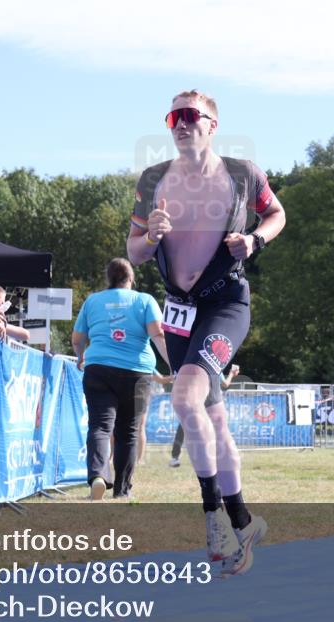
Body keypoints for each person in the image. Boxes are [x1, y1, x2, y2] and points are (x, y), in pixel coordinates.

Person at [127, 89, 285, 576]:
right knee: (213, 419)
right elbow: (133, 252)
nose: (180, 123)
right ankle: (245, 521)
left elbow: (277, 214)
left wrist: (254, 240)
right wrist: (151, 235)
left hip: (225, 303)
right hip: (179, 310)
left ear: (212, 125)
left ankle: (214, 517)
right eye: (173, 116)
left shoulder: (242, 173)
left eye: (190, 115)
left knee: (183, 397)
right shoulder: (153, 180)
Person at [71, 258, 169, 500]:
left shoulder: (93, 301)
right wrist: (174, 363)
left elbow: (77, 339)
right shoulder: (144, 300)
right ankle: (122, 490)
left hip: (99, 368)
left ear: (109, 278)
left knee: (99, 426)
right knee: (128, 431)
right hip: (136, 372)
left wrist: (81, 356)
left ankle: (97, 475)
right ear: (131, 278)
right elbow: (158, 334)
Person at [170, 364, 240, 467]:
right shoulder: (212, 364)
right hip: (209, 401)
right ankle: (216, 457)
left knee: (184, 428)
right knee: (216, 429)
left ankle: (175, 457)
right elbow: (225, 384)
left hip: (196, 399)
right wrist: (231, 373)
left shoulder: (188, 364)